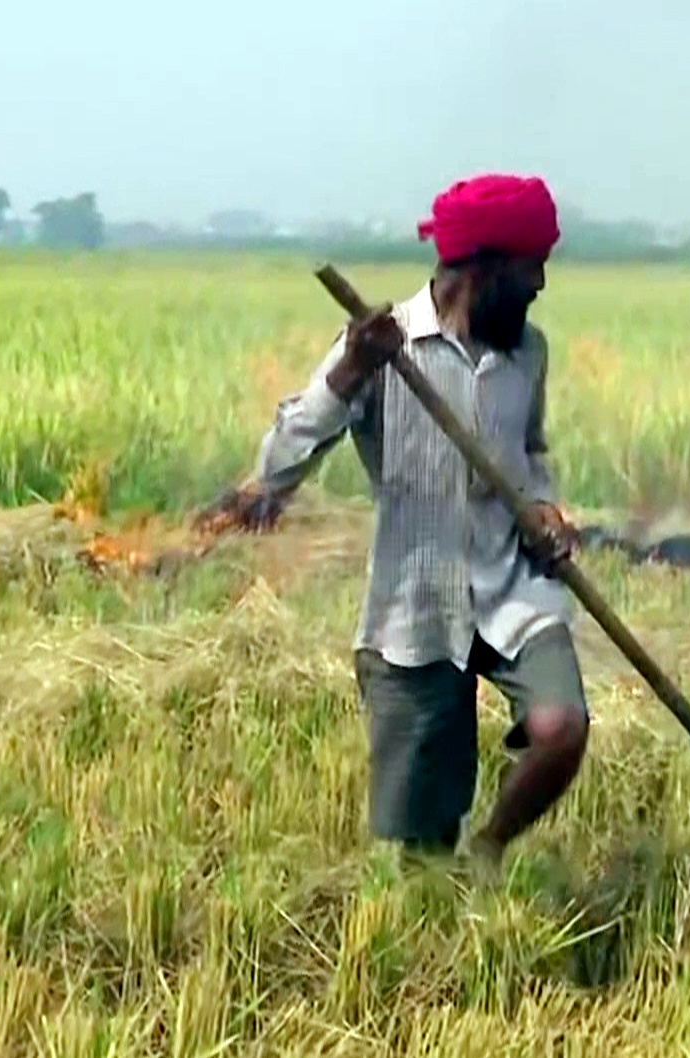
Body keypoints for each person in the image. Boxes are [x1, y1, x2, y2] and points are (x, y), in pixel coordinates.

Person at [202, 173, 588, 873]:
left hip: (511, 584)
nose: (539, 283)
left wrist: (543, 507)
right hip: (416, 600)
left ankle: (489, 848)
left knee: (561, 728)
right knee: (421, 842)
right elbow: (280, 462)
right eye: (531, 265)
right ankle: (441, 886)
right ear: (482, 268)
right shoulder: (385, 345)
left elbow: (530, 452)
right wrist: (350, 370)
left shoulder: (527, 351)